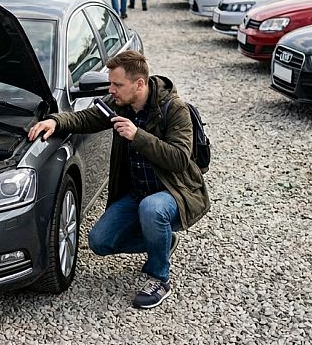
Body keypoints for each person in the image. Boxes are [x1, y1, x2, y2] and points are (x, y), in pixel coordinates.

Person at [27, 51, 210, 310]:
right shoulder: (119, 104)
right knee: (100, 242)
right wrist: (55, 122)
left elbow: (180, 158)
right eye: (110, 84)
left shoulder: (174, 108)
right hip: (137, 192)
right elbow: (85, 118)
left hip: (172, 192)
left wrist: (138, 136)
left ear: (139, 84)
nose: (111, 90)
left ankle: (160, 278)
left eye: (117, 85)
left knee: (153, 208)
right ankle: (163, 240)